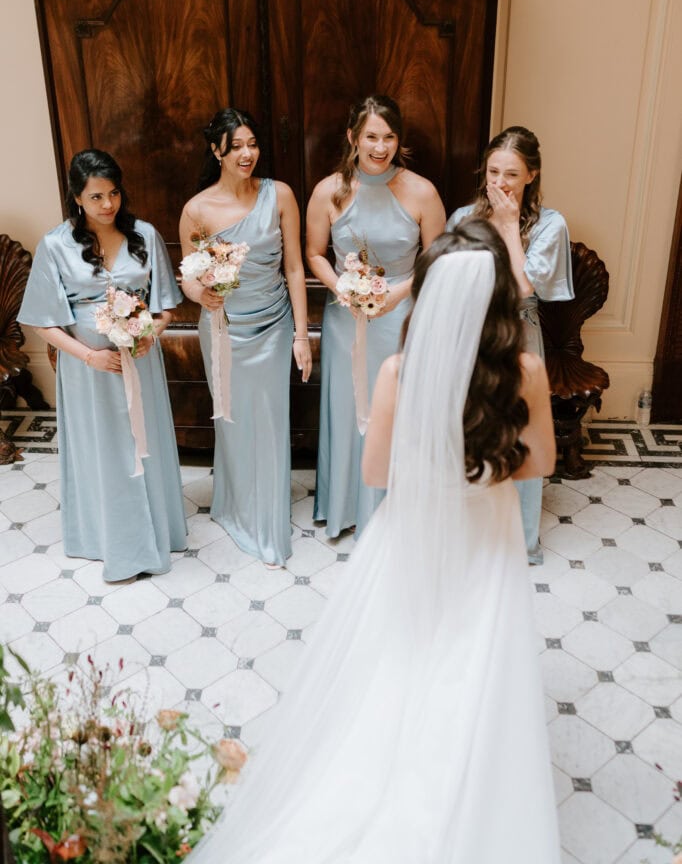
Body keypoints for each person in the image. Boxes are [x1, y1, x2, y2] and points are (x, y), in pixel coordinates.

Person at [186, 218, 560, 863]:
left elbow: (376, 474)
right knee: (475, 658)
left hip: (412, 530)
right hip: (488, 532)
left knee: (400, 655)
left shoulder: (399, 370)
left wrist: (436, 462)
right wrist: (479, 471)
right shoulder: (524, 369)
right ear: (498, 292)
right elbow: (540, 463)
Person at [18, 149, 187, 582]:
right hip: (88, 370)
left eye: (113, 193)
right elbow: (41, 321)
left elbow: (166, 306)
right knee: (102, 448)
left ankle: (156, 531)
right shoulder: (55, 245)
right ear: (77, 198)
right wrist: (90, 355)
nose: (108, 204)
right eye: (96, 197)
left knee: (142, 442)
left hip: (139, 363)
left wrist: (151, 331)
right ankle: (106, 538)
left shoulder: (144, 235)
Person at [306, 94, 445, 538]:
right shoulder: (329, 191)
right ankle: (344, 507)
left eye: (388, 137)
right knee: (348, 411)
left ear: (397, 139)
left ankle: (394, 510)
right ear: (353, 137)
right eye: (371, 136)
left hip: (401, 315)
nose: (379, 147)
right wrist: (344, 289)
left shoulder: (421, 191)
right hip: (347, 316)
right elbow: (314, 254)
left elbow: (437, 258)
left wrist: (396, 293)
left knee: (395, 410)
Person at [179, 108, 311, 568]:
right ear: (217, 150)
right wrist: (204, 294)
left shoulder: (281, 196)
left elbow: (294, 266)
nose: (247, 153)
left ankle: (267, 522)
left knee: (270, 422)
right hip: (223, 330)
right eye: (236, 146)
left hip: (273, 325)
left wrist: (301, 334)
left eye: (252, 144)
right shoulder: (197, 209)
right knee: (232, 419)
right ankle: (234, 505)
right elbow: (189, 278)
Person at [448, 125, 573, 563]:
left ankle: (519, 540)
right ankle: (471, 533)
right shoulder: (463, 217)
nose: (499, 183)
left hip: (520, 332)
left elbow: (522, 286)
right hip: (470, 333)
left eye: (512, 174)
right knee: (472, 433)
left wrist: (505, 225)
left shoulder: (550, 224)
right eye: (493, 172)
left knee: (519, 433)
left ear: (532, 175)